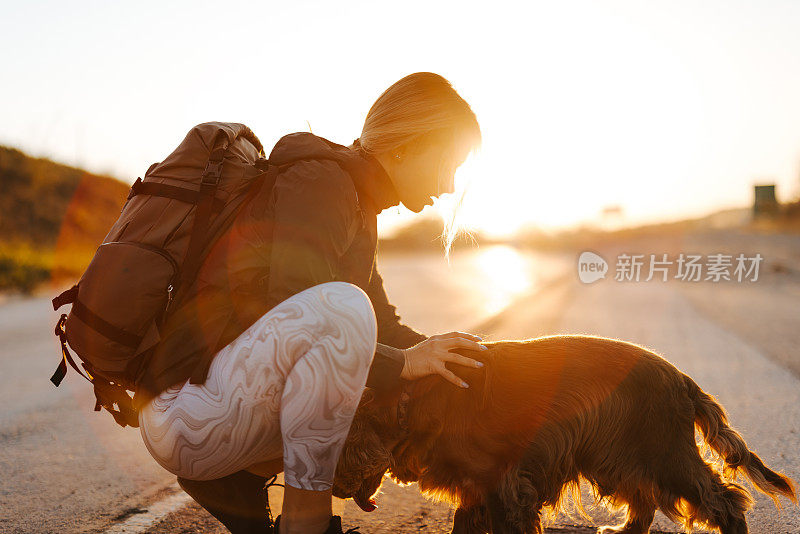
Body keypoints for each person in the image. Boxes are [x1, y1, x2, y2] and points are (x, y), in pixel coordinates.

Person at [133, 72, 485, 534]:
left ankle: (239, 481)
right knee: (344, 314)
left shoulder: (357, 202)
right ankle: (306, 524)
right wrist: (402, 364)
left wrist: (462, 361)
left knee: (359, 324)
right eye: (449, 163)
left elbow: (382, 325)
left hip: (217, 408)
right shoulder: (323, 183)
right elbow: (304, 306)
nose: (450, 185)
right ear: (409, 144)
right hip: (186, 412)